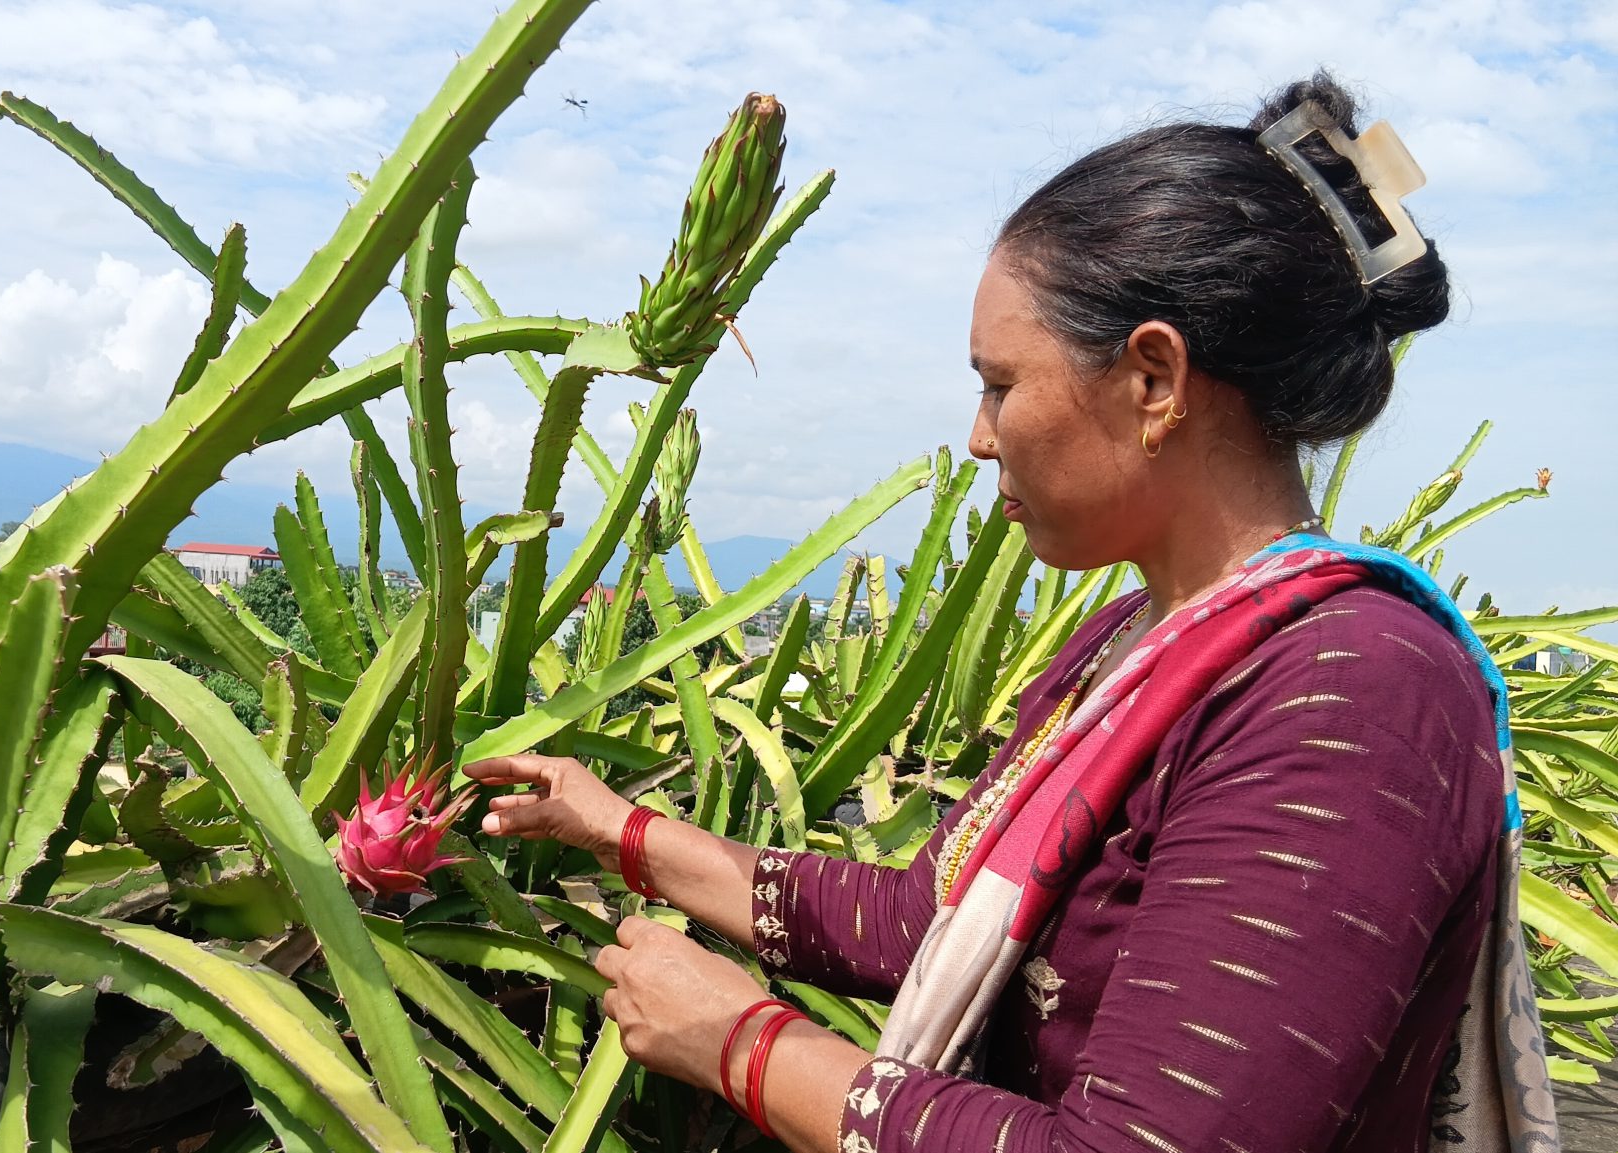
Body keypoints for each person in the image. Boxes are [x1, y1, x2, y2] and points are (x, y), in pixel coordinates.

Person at [465, 73, 1559, 1153]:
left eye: (999, 383)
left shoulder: (1348, 693)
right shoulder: (1135, 648)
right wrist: (619, 828)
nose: (979, 436)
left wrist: (744, 1044)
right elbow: (919, 916)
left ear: (1152, 379)